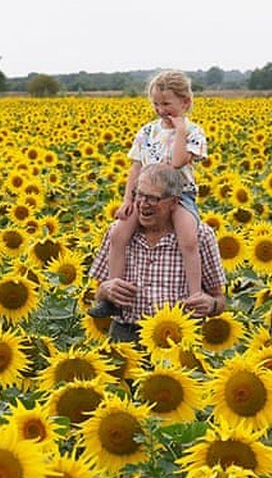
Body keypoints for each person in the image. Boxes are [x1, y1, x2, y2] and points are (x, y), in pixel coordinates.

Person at [89, 70, 207, 318]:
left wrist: (180, 130)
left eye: (166, 104)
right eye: (156, 104)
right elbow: (136, 167)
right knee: (118, 234)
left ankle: (195, 296)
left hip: (180, 195)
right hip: (144, 195)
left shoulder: (194, 132)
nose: (161, 110)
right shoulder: (146, 131)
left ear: (185, 102)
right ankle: (112, 295)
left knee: (188, 238)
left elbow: (177, 162)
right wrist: (128, 199)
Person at [88, 163, 226, 343]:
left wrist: (211, 304)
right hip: (125, 336)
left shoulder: (200, 236)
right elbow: (98, 291)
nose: (143, 204)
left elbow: (219, 299)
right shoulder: (119, 232)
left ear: (174, 202)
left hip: (177, 341)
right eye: (140, 195)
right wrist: (105, 291)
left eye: (153, 198)